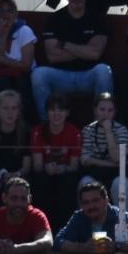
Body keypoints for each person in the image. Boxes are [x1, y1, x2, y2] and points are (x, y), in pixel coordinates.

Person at [30, 0, 114, 115]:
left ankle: (103, 124)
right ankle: (46, 124)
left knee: (103, 71)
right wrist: (85, 50)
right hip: (61, 76)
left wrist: (65, 45)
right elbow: (52, 56)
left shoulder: (98, 19)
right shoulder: (54, 19)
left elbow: (95, 54)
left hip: (89, 75)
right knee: (38, 74)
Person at [56, 174, 128, 254]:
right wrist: (83, 247)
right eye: (86, 202)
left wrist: (116, 246)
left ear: (106, 200)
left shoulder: (120, 216)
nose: (91, 206)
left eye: (95, 200)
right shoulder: (79, 217)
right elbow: (57, 242)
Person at [0, 170, 56, 254]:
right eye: (14, 198)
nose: (19, 203)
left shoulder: (37, 216)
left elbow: (47, 242)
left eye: (23, 199)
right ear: (4, 198)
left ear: (30, 199)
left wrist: (17, 249)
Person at [32, 95, 85, 223]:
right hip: (45, 173)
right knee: (40, 181)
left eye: (61, 110)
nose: (56, 114)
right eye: (52, 110)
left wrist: (63, 168)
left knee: (68, 182)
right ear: (47, 112)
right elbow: (37, 165)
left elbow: (74, 166)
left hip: (65, 173)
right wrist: (46, 167)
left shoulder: (75, 133)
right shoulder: (38, 131)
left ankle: (66, 226)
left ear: (67, 113)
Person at [0, 88, 34, 182]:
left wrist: (17, 175)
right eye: (5, 108)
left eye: (14, 108)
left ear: (19, 110)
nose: (10, 112)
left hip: (20, 177)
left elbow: (26, 166)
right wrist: (2, 175)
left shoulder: (27, 132)